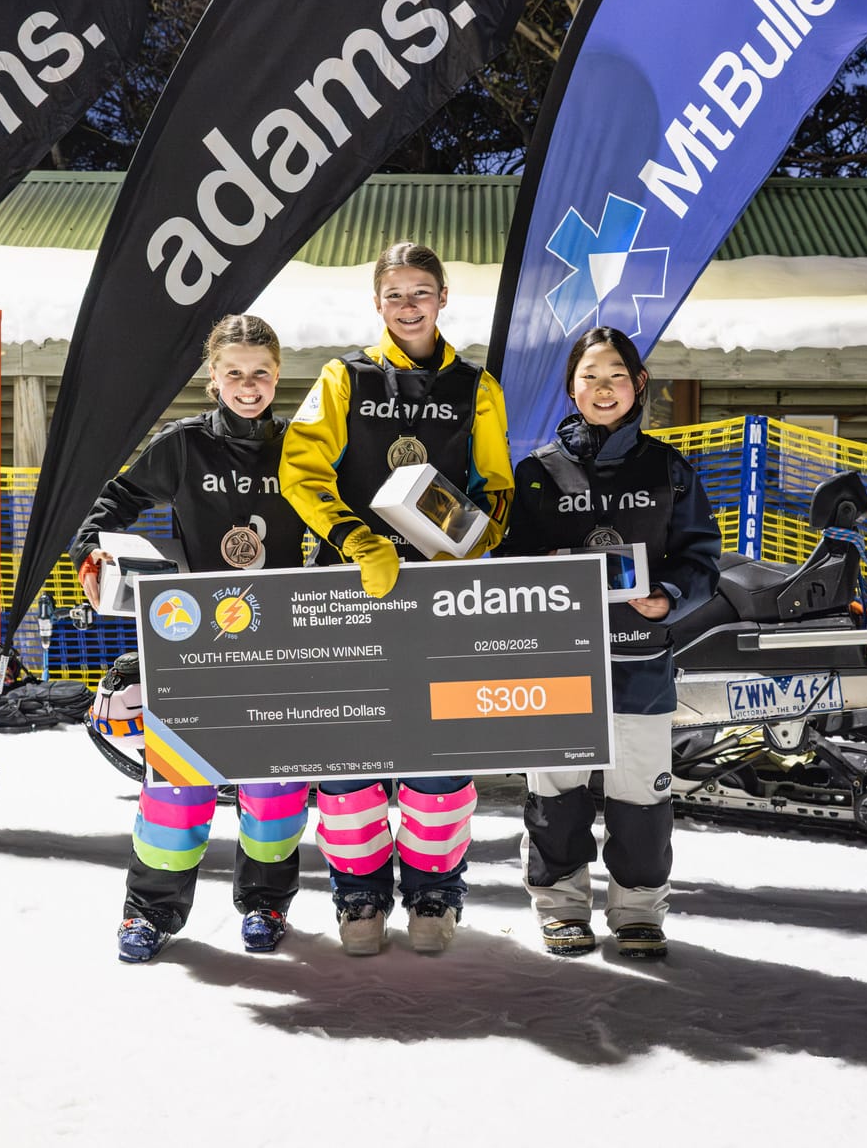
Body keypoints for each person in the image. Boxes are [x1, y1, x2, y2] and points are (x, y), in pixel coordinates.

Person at [279, 240, 512, 956]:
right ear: (376, 304)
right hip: (353, 588)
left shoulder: (478, 387)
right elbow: (301, 470)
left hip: (439, 597)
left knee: (437, 751)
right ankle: (359, 895)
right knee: (350, 752)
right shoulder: (343, 377)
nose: (409, 306)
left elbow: (494, 484)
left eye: (421, 292)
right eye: (395, 295)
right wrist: (358, 541)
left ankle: (436, 892)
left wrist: (478, 541)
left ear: (443, 298)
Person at [68, 314, 311, 963]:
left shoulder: (303, 447)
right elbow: (110, 504)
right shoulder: (182, 445)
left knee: (275, 792)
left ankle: (264, 904)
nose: (249, 384)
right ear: (214, 377)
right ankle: (147, 915)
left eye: (260, 372)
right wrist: (92, 556)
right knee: (176, 793)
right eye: (235, 372)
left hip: (278, 647)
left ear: (277, 374)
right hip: (193, 647)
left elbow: (347, 523)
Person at [496, 326, 719, 959]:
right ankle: (563, 907)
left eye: (616, 375)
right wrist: (545, 568)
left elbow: (701, 558)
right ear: (571, 388)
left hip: (639, 660)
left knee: (641, 797)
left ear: (638, 384)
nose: (604, 387)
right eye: (590, 376)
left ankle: (639, 911)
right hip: (557, 661)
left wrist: (669, 597)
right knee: (555, 793)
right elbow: (511, 561)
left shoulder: (668, 469)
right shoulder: (536, 472)